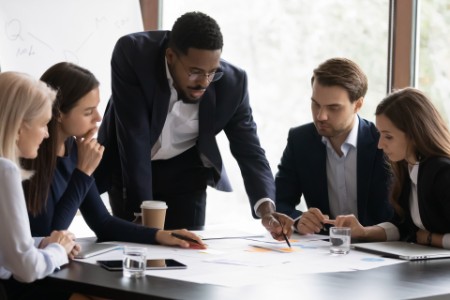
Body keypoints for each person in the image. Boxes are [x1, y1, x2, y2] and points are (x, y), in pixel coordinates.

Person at [94, 11, 292, 238]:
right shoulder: (134, 54)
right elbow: (134, 136)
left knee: (189, 252)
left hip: (186, 174)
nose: (204, 83)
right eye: (195, 72)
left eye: (212, 72)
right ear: (170, 56)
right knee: (134, 251)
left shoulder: (233, 83)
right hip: (130, 168)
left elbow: (250, 150)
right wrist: (143, 213)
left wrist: (267, 209)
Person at [21, 62, 205, 249]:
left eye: (96, 108)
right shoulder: (29, 155)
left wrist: (160, 235)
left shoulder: (74, 149)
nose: (98, 118)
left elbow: (102, 222)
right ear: (58, 113)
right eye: (88, 112)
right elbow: (50, 236)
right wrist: (83, 172)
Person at [275, 58, 393, 235]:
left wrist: (367, 233)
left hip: (377, 248)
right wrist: (299, 220)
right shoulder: (300, 140)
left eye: (334, 108)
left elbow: (400, 216)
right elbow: (278, 201)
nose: (321, 116)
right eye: (316, 104)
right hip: (323, 251)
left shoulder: (383, 143)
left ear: (358, 105)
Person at [0, 71, 87, 299]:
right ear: (19, 126)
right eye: (43, 124)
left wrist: (43, 243)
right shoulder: (4, 171)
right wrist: (58, 250)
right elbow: (26, 269)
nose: (47, 134)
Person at [334, 87, 450, 249]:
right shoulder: (408, 169)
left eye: (388, 136)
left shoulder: (443, 173)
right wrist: (363, 232)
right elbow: (403, 227)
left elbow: (419, 235)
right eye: (380, 134)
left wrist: (432, 239)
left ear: (414, 134)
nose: (380, 145)